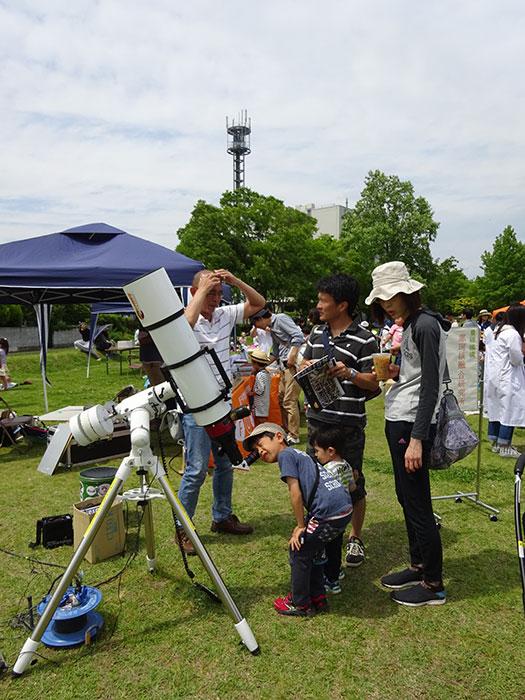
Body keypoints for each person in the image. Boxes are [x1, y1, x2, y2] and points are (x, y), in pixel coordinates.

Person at [366, 260, 449, 607]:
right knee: (405, 495)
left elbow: (431, 386)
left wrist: (417, 438)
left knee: (417, 501)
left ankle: (433, 584)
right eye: (382, 298)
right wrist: (398, 370)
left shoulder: (427, 324)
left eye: (391, 296)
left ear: (408, 291)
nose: (387, 303)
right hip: (399, 415)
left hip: (413, 422)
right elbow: (418, 375)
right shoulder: (413, 324)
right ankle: (418, 565)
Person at [177, 269, 265, 554]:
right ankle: (183, 529)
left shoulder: (225, 314)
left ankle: (222, 516)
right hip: (194, 404)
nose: (216, 299)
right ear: (195, 292)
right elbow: (183, 328)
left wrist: (235, 282)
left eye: (219, 294)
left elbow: (258, 303)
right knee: (196, 469)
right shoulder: (184, 313)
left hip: (222, 403)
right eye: (210, 293)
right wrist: (202, 289)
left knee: (226, 464)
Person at [300, 273, 379, 569]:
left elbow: (374, 383)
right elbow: (302, 362)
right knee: (314, 482)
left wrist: (349, 374)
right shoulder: (316, 333)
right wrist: (305, 365)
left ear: (342, 305)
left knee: (352, 483)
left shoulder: (365, 338)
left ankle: (355, 538)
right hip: (317, 422)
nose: (318, 305)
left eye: (324, 300)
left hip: (348, 427)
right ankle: (320, 535)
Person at [243, 422, 352, 617]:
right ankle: (318, 597)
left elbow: (295, 492)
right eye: (256, 450)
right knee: (314, 550)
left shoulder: (286, 455)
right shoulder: (300, 453)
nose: (259, 451)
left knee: (298, 551)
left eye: (261, 444)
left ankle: (300, 602)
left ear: (278, 437)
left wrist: (301, 525)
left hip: (328, 512)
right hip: (343, 508)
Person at [311, 425, 356, 594]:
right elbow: (352, 488)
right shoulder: (346, 466)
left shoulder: (327, 471)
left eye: (317, 451)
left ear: (330, 451)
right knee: (337, 545)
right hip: (344, 514)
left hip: (330, 516)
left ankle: (332, 580)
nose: (315, 455)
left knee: (328, 547)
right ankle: (337, 570)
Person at [250, 307, 304, 445]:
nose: (258, 328)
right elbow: (276, 351)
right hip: (283, 367)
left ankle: (294, 434)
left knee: (289, 401)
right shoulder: (272, 328)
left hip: (293, 366)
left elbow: (298, 335)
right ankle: (287, 431)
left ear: (261, 319)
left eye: (256, 324)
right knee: (282, 400)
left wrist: (292, 354)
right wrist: (261, 365)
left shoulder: (280, 319)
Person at [484, 303, 525, 459]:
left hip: (495, 375)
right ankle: (505, 445)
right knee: (509, 410)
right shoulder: (513, 334)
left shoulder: (497, 331)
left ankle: (495, 442)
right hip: (508, 376)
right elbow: (515, 358)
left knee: (496, 408)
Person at [247, 349, 272, 425]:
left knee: (261, 421)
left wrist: (252, 393)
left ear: (256, 363)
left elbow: (260, 390)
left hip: (260, 403)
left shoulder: (260, 375)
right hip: (264, 402)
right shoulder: (266, 373)